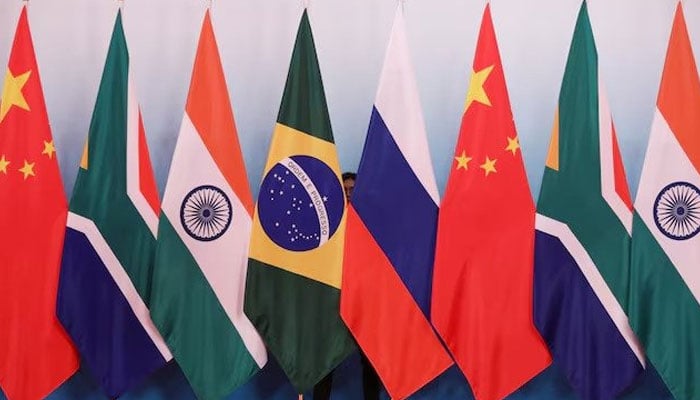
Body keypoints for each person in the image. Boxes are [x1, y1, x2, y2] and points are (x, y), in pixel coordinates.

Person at [312, 172, 381, 400]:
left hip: (365, 302)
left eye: (353, 190)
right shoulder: (325, 225)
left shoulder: (372, 225)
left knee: (371, 361)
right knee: (325, 360)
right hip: (332, 301)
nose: (349, 194)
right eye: (345, 190)